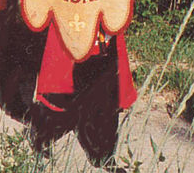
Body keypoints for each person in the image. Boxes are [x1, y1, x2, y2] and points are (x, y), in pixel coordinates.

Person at [29, 20, 137, 167]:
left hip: (103, 39)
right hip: (74, 30)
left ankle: (105, 155)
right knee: (68, 98)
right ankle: (41, 133)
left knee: (106, 95)